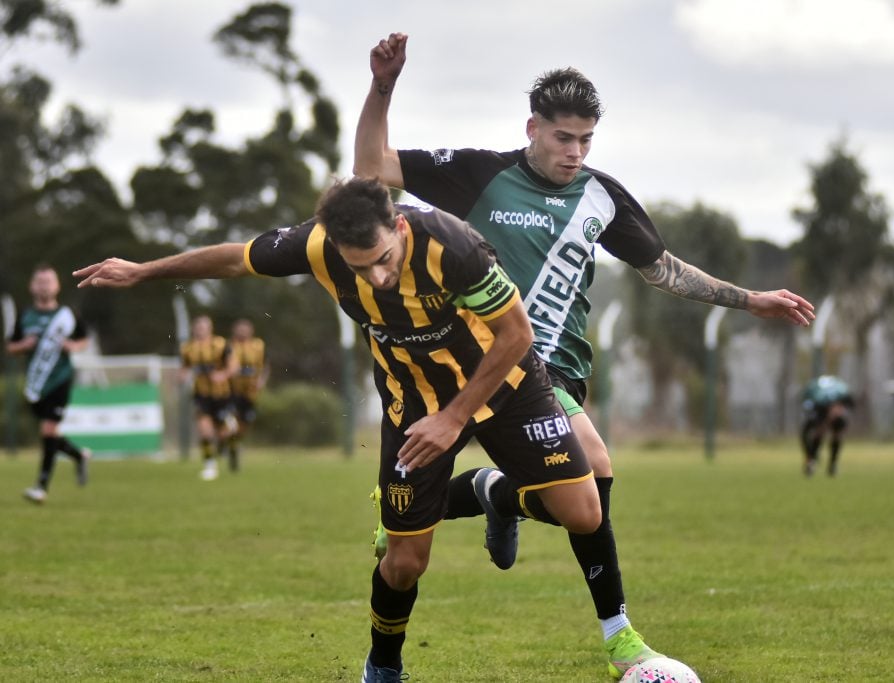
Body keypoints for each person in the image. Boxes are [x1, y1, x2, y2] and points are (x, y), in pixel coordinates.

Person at [354, 32, 815, 677]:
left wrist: (749, 300)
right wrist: (383, 87)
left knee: (591, 488)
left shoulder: (602, 196)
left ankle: (515, 518)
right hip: (464, 367)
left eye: (586, 140)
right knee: (409, 555)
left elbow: (663, 271)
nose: (575, 153)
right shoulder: (481, 174)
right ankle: (610, 632)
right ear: (533, 129)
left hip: (550, 372)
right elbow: (373, 169)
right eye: (564, 138)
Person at [74, 176, 603, 682]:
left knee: (582, 514)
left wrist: (455, 417)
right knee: (404, 564)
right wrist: (144, 271)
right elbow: (237, 258)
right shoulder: (317, 245)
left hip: (505, 382)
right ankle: (384, 667)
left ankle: (493, 494)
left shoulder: (453, 245)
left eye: (382, 261)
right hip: (411, 402)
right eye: (359, 268)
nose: (376, 277)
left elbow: (517, 333)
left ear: (397, 228)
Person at [7, 264, 91, 504]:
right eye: (40, 282)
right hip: (37, 383)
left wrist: (73, 347)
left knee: (48, 431)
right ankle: (79, 455)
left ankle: (41, 487)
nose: (44, 286)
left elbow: (84, 339)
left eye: (49, 281)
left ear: (57, 286)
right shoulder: (25, 316)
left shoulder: (67, 315)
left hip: (60, 380)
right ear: (33, 286)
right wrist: (23, 346)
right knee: (50, 434)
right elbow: (10, 347)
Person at [180, 314, 237, 481]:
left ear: (210, 329)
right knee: (204, 431)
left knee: (222, 433)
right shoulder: (187, 348)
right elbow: (184, 368)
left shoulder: (220, 344)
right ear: (193, 329)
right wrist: (182, 377)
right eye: (197, 327)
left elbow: (234, 366)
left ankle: (226, 436)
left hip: (222, 395)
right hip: (201, 395)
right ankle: (209, 466)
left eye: (203, 327)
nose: (200, 330)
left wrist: (222, 374)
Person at [226, 318, 267, 472]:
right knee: (231, 421)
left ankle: (234, 444)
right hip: (231, 391)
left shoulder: (258, 346)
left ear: (251, 331)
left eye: (245, 329)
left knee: (244, 423)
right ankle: (230, 446)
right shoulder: (228, 346)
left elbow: (265, 366)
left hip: (250, 393)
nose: (242, 332)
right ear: (234, 330)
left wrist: (261, 381)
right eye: (240, 329)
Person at [800, 375, 854, 477]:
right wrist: (809, 456)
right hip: (819, 409)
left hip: (826, 409)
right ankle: (812, 461)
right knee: (819, 433)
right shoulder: (819, 400)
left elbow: (850, 404)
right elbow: (804, 435)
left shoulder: (841, 393)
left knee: (836, 435)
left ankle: (832, 464)